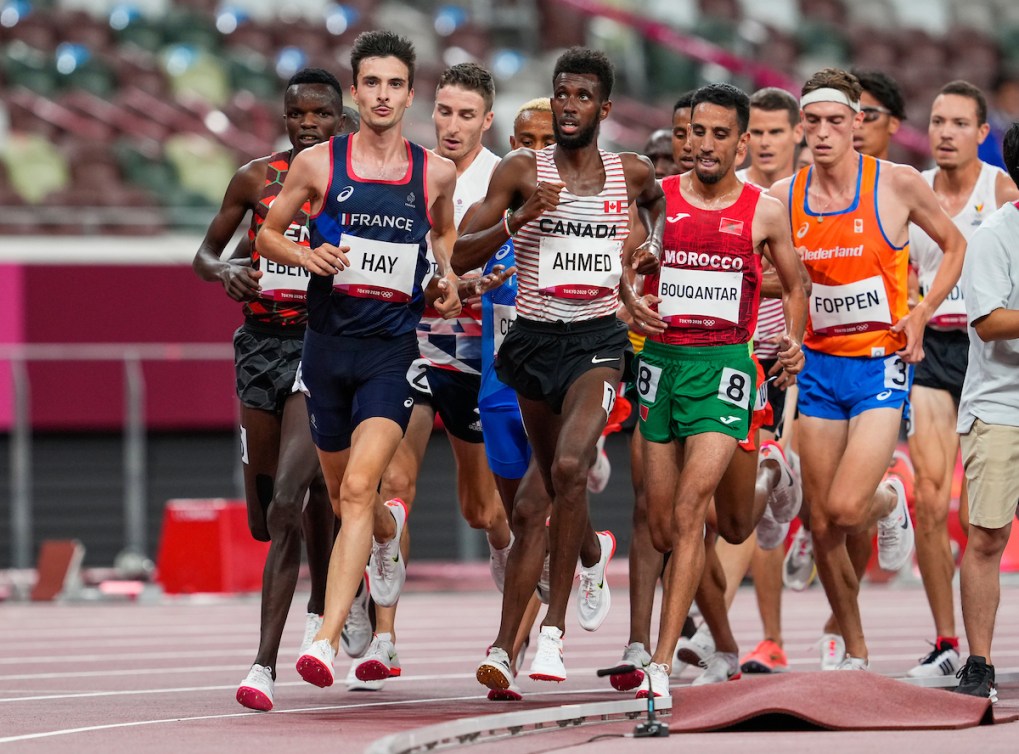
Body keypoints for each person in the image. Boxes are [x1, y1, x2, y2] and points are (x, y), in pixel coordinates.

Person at [255, 30, 461, 690]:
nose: (382, 94)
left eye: (394, 84)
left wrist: (445, 278)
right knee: (356, 500)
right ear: (355, 92)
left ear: (409, 93)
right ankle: (385, 532)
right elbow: (265, 232)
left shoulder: (435, 172)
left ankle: (322, 639)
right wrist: (303, 254)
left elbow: (444, 233)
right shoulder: (319, 164)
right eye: (371, 83)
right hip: (326, 351)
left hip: (389, 353)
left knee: (352, 491)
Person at [457, 46, 664, 689]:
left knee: (572, 467)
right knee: (531, 502)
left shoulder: (628, 172)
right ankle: (523, 623)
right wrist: (522, 217)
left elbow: (655, 202)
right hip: (534, 340)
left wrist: (647, 249)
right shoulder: (523, 169)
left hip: (598, 343)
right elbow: (463, 249)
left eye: (581, 96)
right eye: (561, 93)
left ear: (604, 108)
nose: (569, 105)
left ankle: (551, 635)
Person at [770, 67, 966, 671]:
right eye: (814, 122)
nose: (824, 133)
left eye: (836, 121)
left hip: (879, 364)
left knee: (850, 508)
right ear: (802, 127)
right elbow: (767, 281)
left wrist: (921, 313)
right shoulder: (782, 198)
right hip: (820, 369)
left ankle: (890, 500)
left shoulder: (898, 184)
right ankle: (854, 647)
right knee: (822, 521)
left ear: (858, 123)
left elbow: (954, 246)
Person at [630, 82, 807, 699]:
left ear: (741, 143)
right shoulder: (657, 199)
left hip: (727, 368)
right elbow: (623, 269)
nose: (704, 145)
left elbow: (798, 284)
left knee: (688, 514)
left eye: (719, 135)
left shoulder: (763, 209)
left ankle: (658, 663)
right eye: (695, 132)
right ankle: (768, 481)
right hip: (660, 365)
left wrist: (795, 341)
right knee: (685, 528)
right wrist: (632, 302)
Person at [192, 68, 348, 711]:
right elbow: (203, 254)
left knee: (289, 497)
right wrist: (226, 269)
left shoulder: (356, 183)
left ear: (343, 119)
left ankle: (265, 663)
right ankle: (330, 587)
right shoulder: (256, 178)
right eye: (296, 114)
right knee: (267, 515)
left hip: (321, 346)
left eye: (320, 115)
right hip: (260, 348)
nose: (308, 124)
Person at [354, 61, 513, 689]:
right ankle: (385, 638)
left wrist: (474, 281)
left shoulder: (508, 177)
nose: (451, 125)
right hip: (415, 345)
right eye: (443, 112)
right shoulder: (413, 171)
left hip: (482, 357)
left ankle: (519, 568)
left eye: (466, 115)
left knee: (481, 510)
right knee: (394, 483)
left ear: (487, 119)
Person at [906, 81, 1019, 679]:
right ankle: (952, 643)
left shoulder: (998, 190)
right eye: (937, 120)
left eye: (959, 122)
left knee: (977, 516)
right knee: (931, 497)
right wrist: (911, 307)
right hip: (941, 350)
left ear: (982, 134)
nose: (945, 132)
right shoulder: (914, 190)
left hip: (981, 355)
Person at [953, 121, 1019, 703]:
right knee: (988, 536)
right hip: (1002, 405)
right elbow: (990, 322)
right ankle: (978, 662)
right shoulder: (996, 235)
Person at [850, 68, 906, 162]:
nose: (856, 124)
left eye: (868, 114)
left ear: (893, 124)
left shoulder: (912, 176)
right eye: (848, 115)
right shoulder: (816, 176)